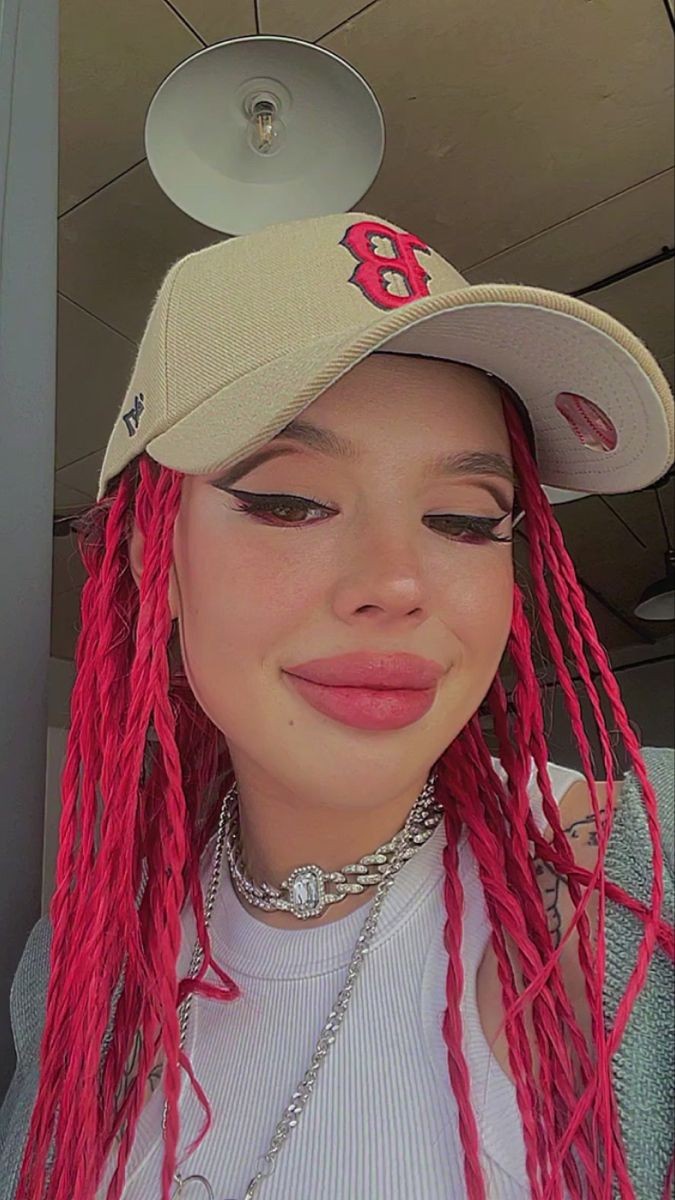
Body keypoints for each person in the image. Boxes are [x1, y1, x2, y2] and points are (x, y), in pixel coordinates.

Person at [0, 211, 673, 1200]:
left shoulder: (644, 874)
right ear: (153, 561)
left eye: (464, 520)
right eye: (291, 503)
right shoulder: (78, 960)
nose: (396, 584)